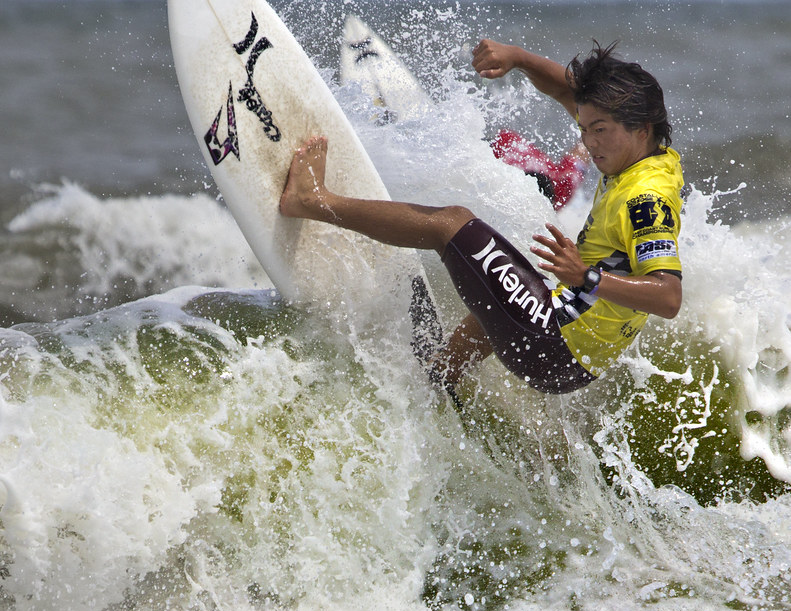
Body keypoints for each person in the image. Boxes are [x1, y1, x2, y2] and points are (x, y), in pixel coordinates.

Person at [279, 39, 683, 399]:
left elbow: (667, 297)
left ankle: (312, 201)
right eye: (584, 129)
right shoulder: (647, 157)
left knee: (451, 224)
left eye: (600, 130)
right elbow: (568, 90)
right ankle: (442, 381)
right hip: (572, 353)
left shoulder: (646, 199)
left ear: (641, 128)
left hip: (556, 344)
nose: (589, 142)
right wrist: (519, 58)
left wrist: (585, 277)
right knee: (496, 273)